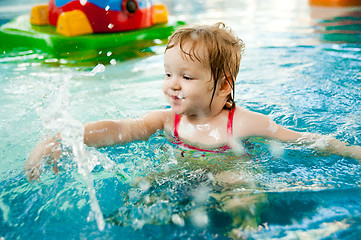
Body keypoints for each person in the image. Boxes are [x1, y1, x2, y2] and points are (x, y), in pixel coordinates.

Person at [24, 22, 361, 182]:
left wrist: (350, 151)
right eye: (168, 74)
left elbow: (305, 140)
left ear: (224, 85)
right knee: (143, 184)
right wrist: (66, 137)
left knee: (238, 188)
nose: (172, 85)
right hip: (179, 168)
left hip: (230, 168)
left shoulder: (242, 122)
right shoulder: (167, 121)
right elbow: (121, 129)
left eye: (186, 77)